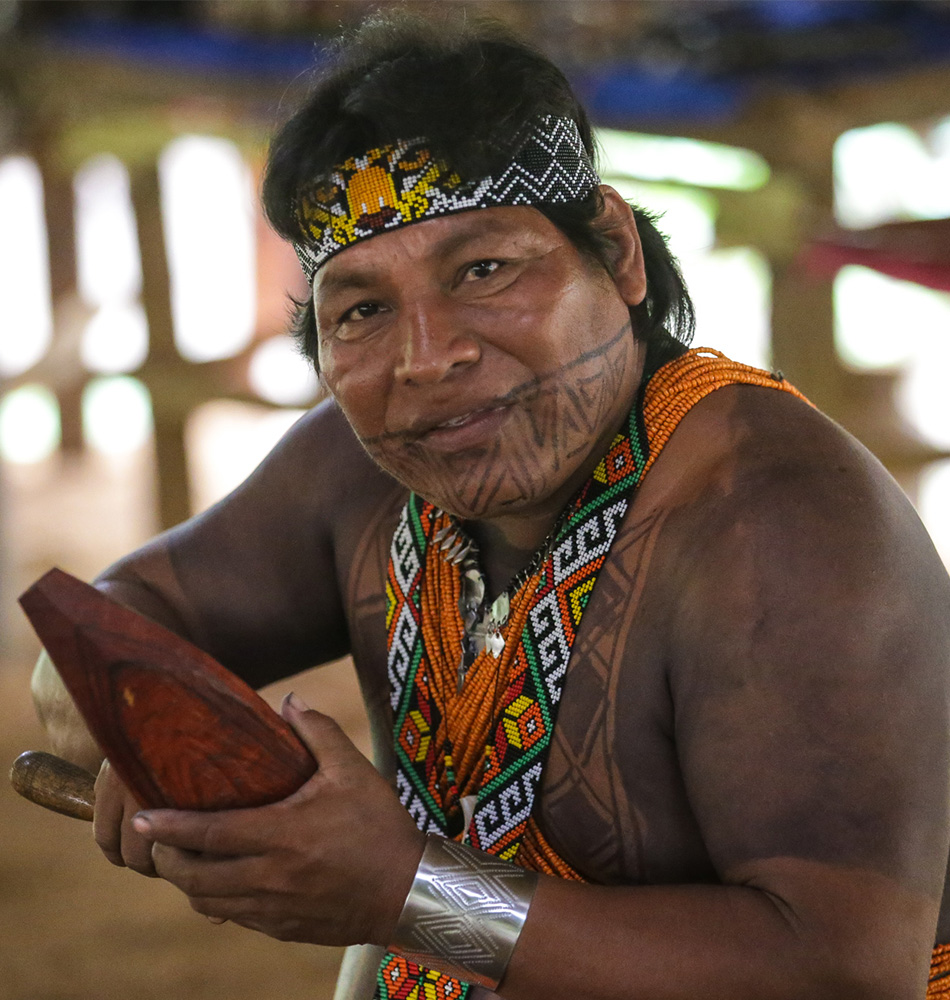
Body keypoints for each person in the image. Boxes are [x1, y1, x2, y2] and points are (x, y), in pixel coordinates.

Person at [30, 11, 950, 1000]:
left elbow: (842, 975)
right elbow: (105, 628)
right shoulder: (361, 468)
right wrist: (150, 725)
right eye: (362, 310)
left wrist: (405, 891)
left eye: (483, 271)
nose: (428, 358)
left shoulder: (773, 520)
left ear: (615, 251)